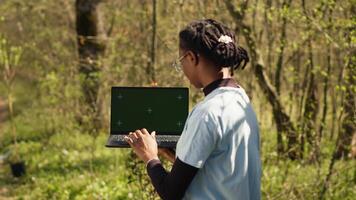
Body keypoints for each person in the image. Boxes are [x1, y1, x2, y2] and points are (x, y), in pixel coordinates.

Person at [124, 19, 261, 200]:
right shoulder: (240, 100)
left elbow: (170, 193)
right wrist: (172, 155)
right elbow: (218, 170)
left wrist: (149, 156)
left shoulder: (207, 113)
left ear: (191, 58)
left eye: (181, 61)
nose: (182, 67)